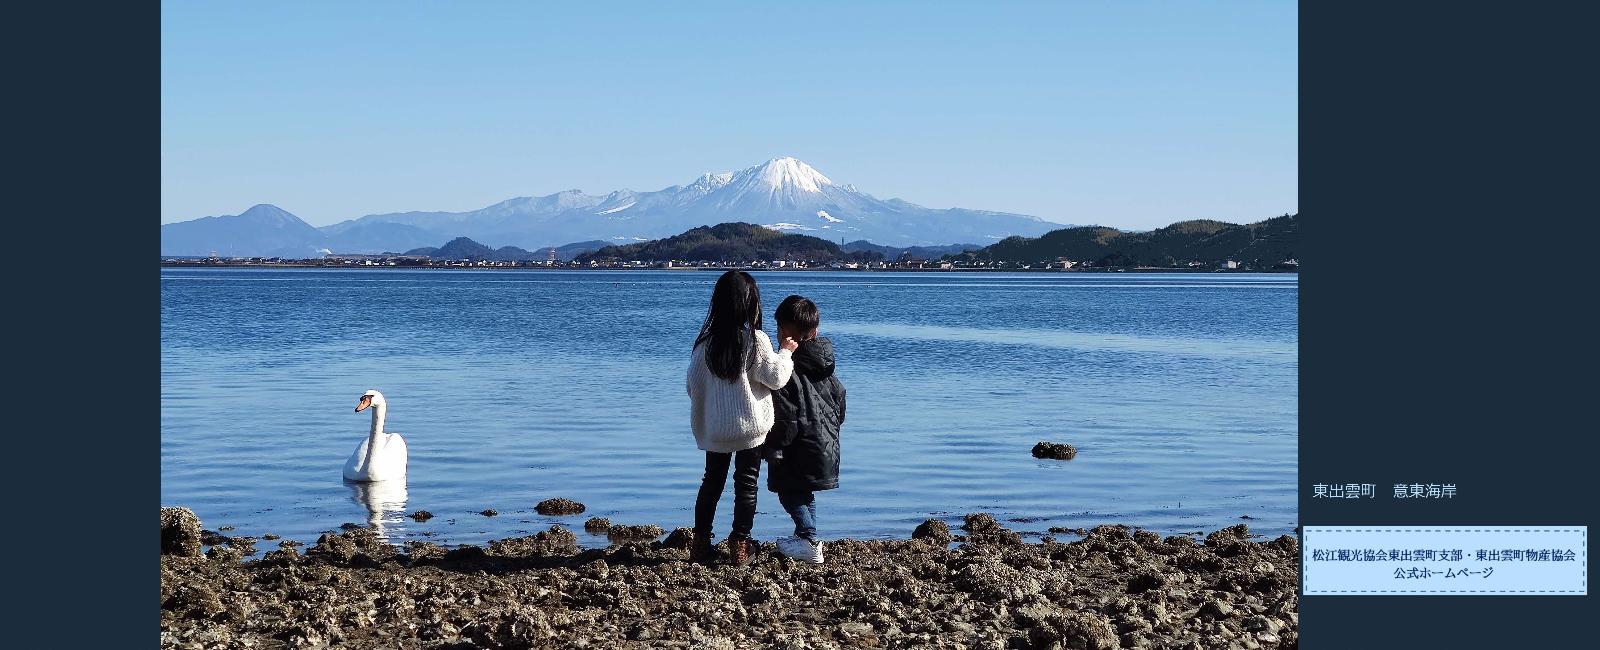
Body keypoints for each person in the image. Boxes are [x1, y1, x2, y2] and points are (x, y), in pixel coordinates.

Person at [686, 270, 798, 565]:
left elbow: (692, 387)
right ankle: (740, 545)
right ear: (751, 304)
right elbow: (776, 379)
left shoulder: (704, 344)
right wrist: (786, 352)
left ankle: (699, 544)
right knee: (746, 484)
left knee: (711, 482)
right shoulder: (756, 340)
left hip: (716, 429)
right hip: (751, 428)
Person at [761, 295, 846, 564]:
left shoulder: (788, 370)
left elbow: (785, 418)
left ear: (784, 333)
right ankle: (805, 538)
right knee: (804, 492)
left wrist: (772, 446)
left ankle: (809, 539)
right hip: (825, 445)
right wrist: (830, 431)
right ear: (816, 331)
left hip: (797, 448)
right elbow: (840, 404)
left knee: (788, 492)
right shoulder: (827, 369)